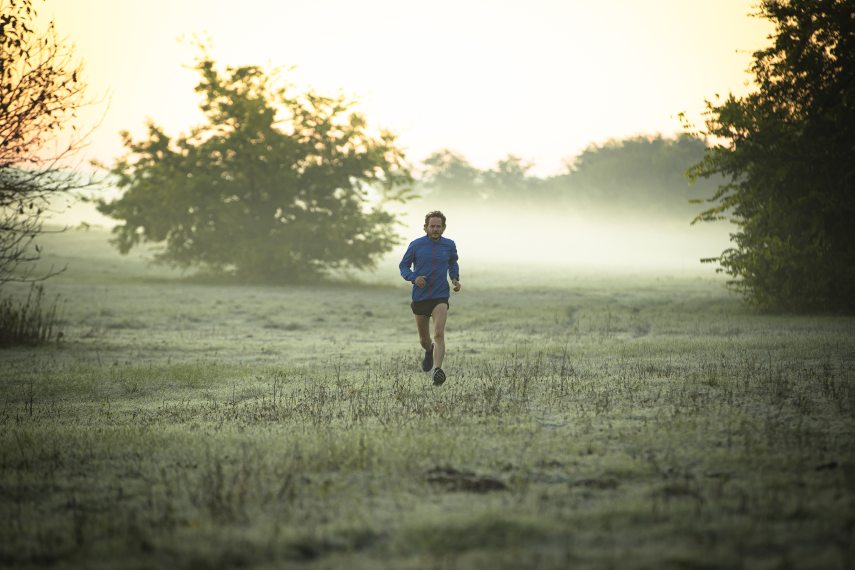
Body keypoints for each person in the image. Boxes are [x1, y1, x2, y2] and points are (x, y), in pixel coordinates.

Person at [399, 210, 461, 385]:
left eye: (438, 226)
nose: (435, 229)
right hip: (420, 297)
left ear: (444, 228)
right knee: (424, 340)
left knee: (439, 333)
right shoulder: (416, 245)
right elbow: (403, 266)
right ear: (425, 227)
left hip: (440, 295)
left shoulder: (449, 245)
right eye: (432, 226)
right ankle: (429, 350)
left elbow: (452, 262)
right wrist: (413, 278)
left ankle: (437, 370)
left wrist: (455, 278)